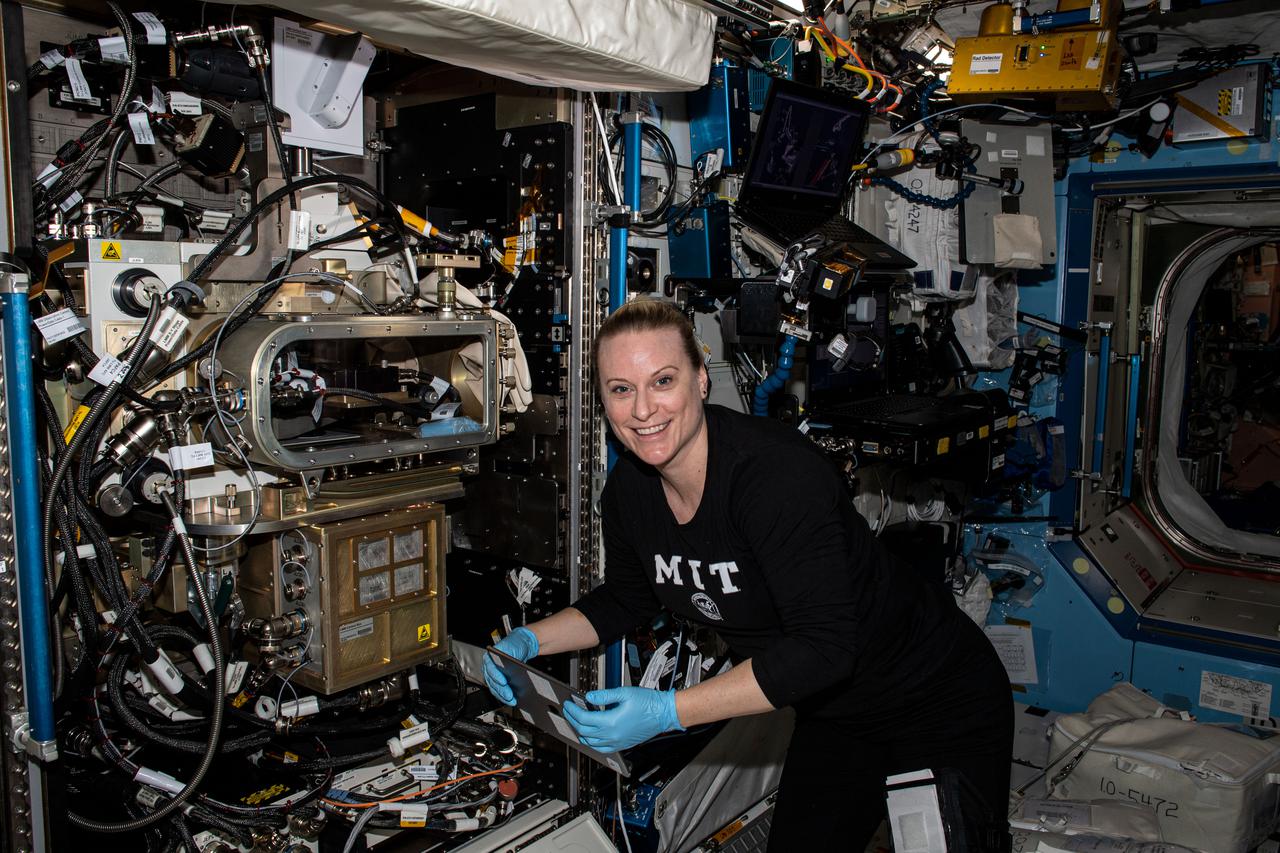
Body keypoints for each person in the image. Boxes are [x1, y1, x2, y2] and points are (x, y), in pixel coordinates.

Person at [483, 298, 1013, 850]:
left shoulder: (774, 477)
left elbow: (825, 649)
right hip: (835, 714)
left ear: (700, 379)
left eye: (662, 380)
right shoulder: (630, 494)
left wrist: (668, 712)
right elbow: (625, 600)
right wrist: (529, 642)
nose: (642, 409)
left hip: (936, 698)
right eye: (621, 389)